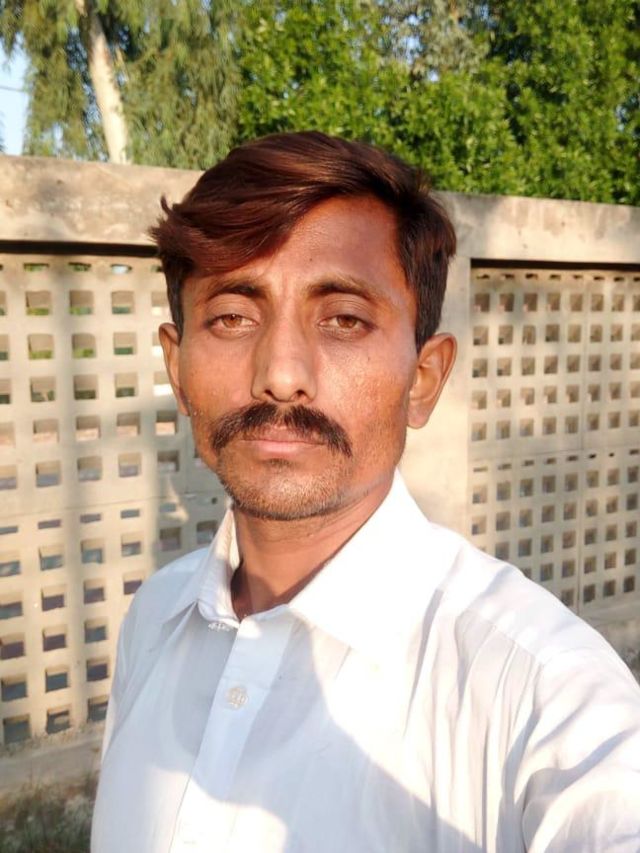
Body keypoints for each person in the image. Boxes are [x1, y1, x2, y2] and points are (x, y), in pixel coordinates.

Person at [91, 132, 640, 853]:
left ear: (423, 380)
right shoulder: (155, 619)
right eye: (232, 317)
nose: (280, 374)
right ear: (178, 365)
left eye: (344, 320)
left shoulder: (543, 693)